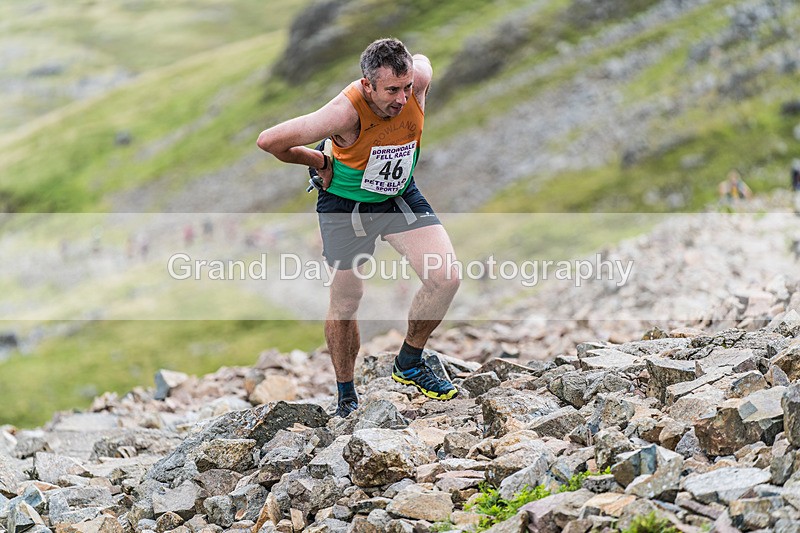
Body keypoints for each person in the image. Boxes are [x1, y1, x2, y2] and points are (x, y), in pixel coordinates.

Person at [257, 38, 461, 417]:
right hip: (346, 207)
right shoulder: (342, 113)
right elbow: (270, 141)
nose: (402, 99)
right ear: (367, 85)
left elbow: (423, 60)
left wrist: (411, 78)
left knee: (446, 278)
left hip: (397, 197)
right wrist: (318, 158)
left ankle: (410, 362)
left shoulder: (417, 80)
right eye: (391, 91)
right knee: (347, 302)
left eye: (406, 88)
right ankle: (346, 396)